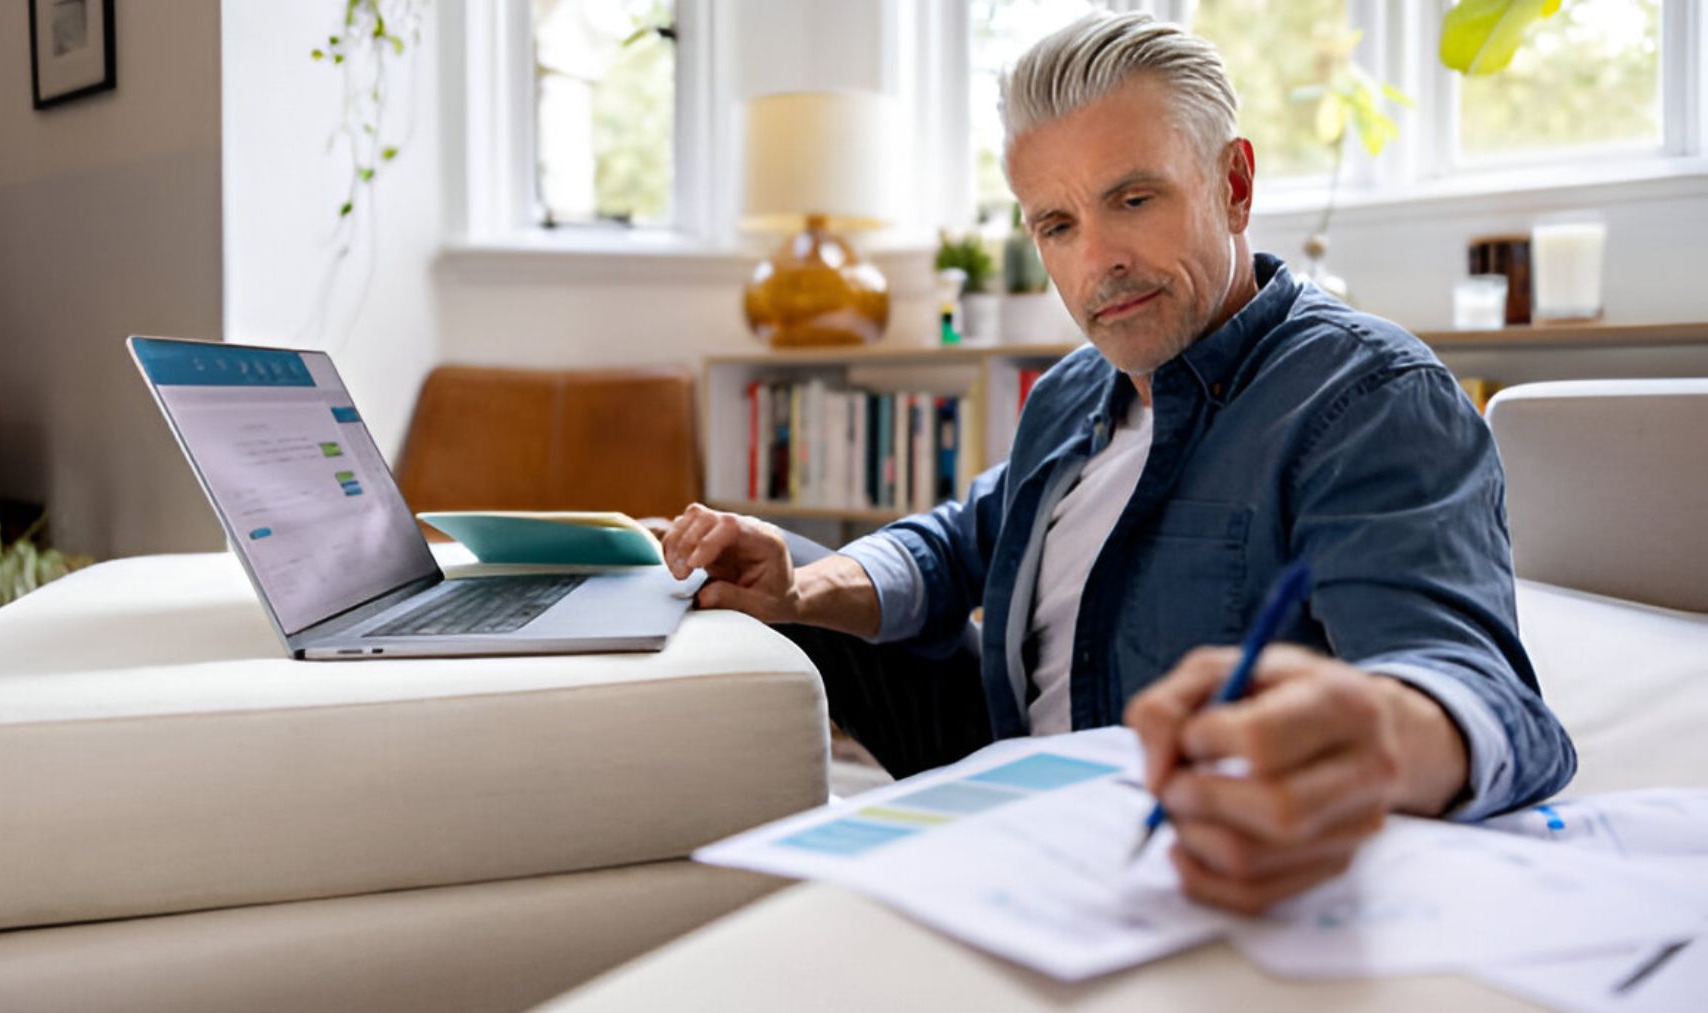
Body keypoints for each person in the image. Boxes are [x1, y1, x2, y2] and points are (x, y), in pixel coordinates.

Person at [662, 11, 1575, 914]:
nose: (1097, 261)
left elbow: (1479, 693)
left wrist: (1375, 733)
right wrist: (804, 588)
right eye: (1056, 224)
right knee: (764, 572)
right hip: (1009, 778)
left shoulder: (1369, 398)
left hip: (1156, 836)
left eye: (1133, 200)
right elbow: (963, 538)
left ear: (1235, 184)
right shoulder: (1072, 390)